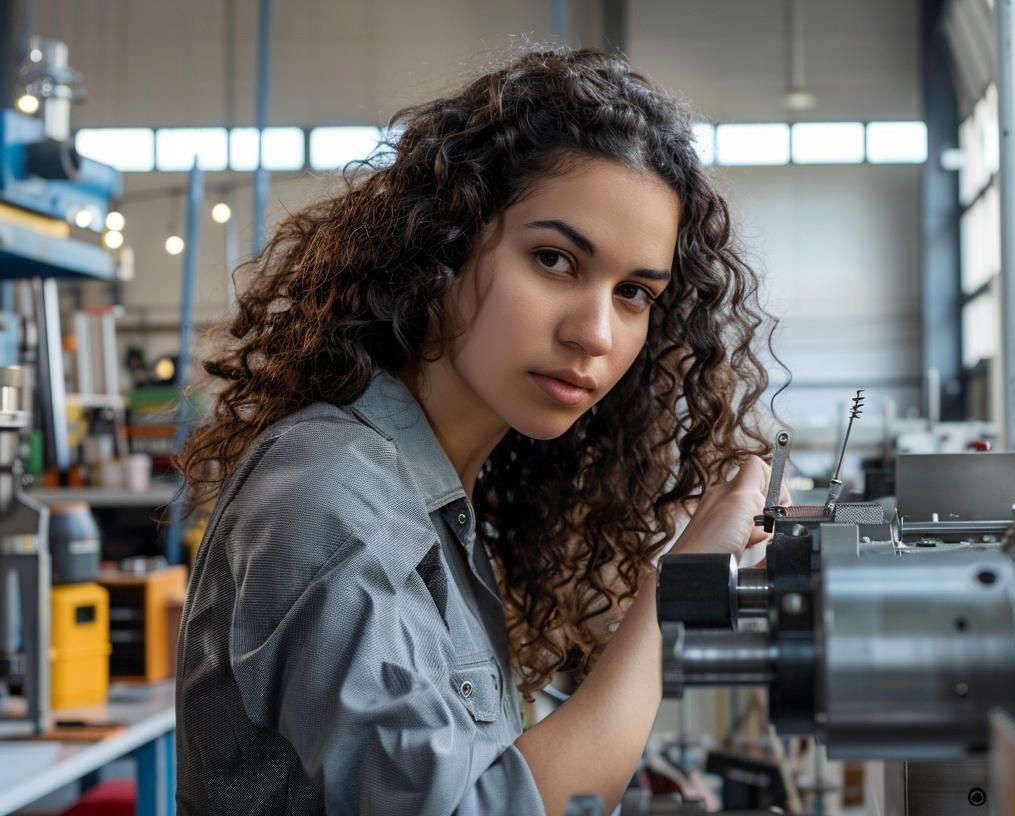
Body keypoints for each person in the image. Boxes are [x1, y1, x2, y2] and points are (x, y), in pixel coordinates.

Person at [175, 47, 779, 815]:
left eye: (633, 292)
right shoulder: (329, 495)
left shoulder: (438, 494)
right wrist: (672, 595)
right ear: (443, 247)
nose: (596, 332)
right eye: (554, 260)